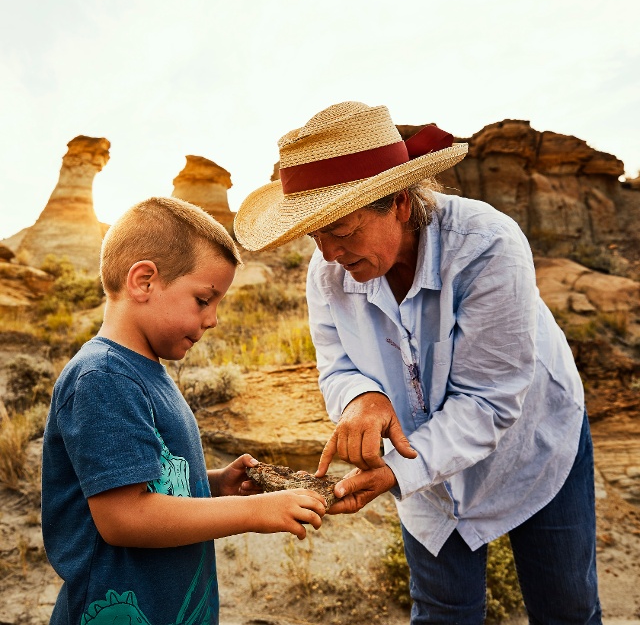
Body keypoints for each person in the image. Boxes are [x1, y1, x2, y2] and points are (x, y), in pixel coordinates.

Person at [234, 102, 602, 623]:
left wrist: (394, 471)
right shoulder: (326, 272)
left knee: (565, 607)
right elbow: (337, 366)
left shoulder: (487, 246)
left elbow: (489, 401)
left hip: (533, 448)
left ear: (400, 203)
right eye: (314, 235)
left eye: (341, 230)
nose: (330, 253)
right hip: (420, 474)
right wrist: (363, 399)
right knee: (443, 611)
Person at [41, 196, 327, 625]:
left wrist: (211, 484)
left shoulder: (145, 370)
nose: (213, 320)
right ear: (144, 281)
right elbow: (124, 516)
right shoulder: (102, 376)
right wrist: (254, 512)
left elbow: (148, 482)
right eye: (202, 300)